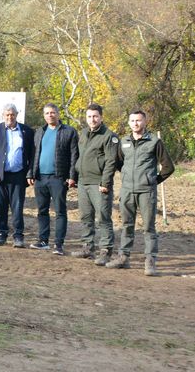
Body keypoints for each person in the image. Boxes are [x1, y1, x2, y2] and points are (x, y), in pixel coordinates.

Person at [106, 110, 175, 276]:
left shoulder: (154, 142)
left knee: (149, 228)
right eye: (132, 120)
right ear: (129, 123)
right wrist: (128, 177)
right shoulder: (124, 142)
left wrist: (152, 181)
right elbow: (119, 163)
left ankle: (150, 261)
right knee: (127, 225)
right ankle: (123, 257)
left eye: (138, 120)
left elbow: (168, 167)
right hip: (127, 191)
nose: (135, 123)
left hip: (146, 192)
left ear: (145, 122)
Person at [72, 103, 119, 266]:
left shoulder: (109, 136)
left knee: (103, 217)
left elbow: (111, 161)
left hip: (99, 184)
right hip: (83, 182)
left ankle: (106, 250)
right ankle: (87, 247)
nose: (92, 120)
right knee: (86, 216)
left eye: (95, 116)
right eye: (89, 117)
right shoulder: (83, 133)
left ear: (101, 117)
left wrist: (105, 182)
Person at [29, 103, 78, 255]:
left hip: (59, 178)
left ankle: (58, 244)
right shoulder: (39, 132)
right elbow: (33, 154)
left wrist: (72, 176)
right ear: (44, 115)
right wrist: (30, 173)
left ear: (58, 114)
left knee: (60, 212)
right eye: (47, 113)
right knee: (42, 211)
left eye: (52, 112)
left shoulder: (69, 131)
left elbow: (74, 155)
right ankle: (43, 241)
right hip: (40, 178)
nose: (50, 115)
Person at [0, 104, 35, 248]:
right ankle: (1, 234)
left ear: (17, 114)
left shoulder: (26, 131)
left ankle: (18, 236)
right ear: (3, 115)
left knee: (17, 207)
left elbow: (32, 154)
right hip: (0, 176)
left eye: (12, 114)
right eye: (7, 115)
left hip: (19, 176)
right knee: (0, 206)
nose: (10, 117)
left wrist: (30, 173)